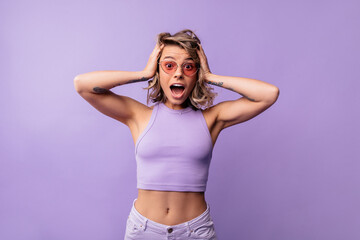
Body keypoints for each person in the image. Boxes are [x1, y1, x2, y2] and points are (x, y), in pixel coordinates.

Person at [73, 29, 279, 240]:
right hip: (143, 231)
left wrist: (210, 76)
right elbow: (83, 85)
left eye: (188, 67)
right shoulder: (138, 115)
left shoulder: (212, 119)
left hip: (196, 232)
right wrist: (143, 74)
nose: (178, 73)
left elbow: (268, 95)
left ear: (196, 74)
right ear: (158, 70)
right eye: (169, 65)